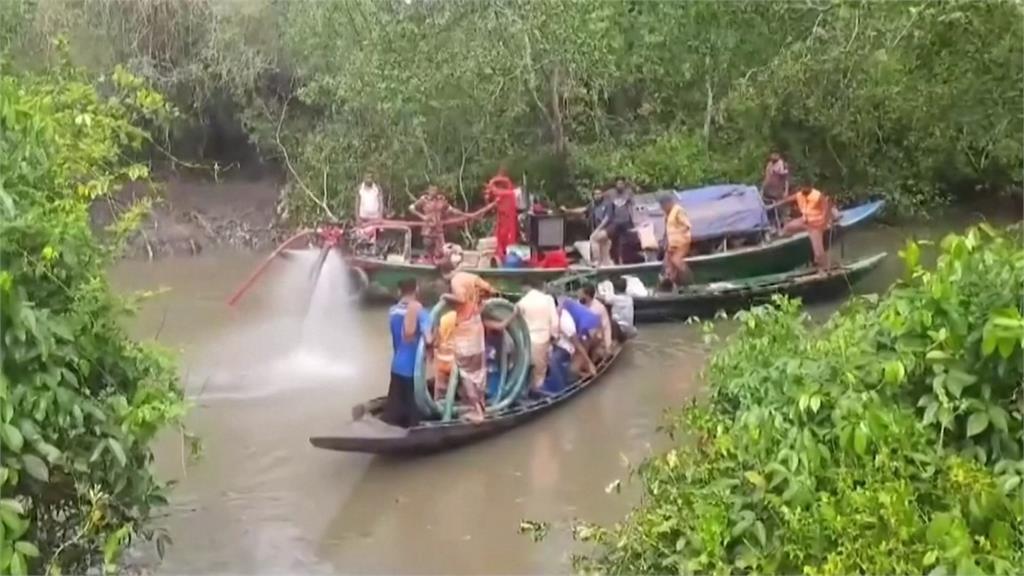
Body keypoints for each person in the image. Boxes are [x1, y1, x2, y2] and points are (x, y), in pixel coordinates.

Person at [438, 260, 495, 422]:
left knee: (465, 372)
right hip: (477, 326)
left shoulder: (456, 281)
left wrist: (445, 296)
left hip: (465, 331)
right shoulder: (471, 277)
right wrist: (478, 306)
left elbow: (461, 299)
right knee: (478, 369)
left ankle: (477, 412)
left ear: (445, 274)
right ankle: (481, 405)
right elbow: (489, 290)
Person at [384, 278, 432, 427]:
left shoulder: (392, 311)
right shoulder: (421, 312)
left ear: (399, 291)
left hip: (396, 364)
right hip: (413, 369)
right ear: (416, 289)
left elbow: (395, 339)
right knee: (413, 413)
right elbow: (429, 339)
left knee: (394, 411)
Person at [772, 186, 841, 270]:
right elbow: (788, 199)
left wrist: (826, 221)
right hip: (805, 221)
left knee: (818, 254)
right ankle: (781, 241)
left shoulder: (818, 196)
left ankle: (825, 267)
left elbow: (826, 210)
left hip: (815, 224)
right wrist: (775, 205)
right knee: (787, 227)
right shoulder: (800, 195)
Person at [515, 277, 560, 394]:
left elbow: (518, 324)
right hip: (541, 339)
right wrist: (554, 336)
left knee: (524, 370)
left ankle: (523, 392)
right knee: (539, 372)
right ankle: (538, 394)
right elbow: (555, 322)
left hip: (525, 340)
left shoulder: (521, 302)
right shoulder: (548, 299)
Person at [410, 186, 467, 263]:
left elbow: (450, 209)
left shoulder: (441, 199)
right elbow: (411, 208)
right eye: (432, 190)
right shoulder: (424, 199)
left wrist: (465, 214)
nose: (433, 192)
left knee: (441, 250)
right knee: (428, 247)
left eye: (435, 190)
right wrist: (422, 216)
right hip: (428, 229)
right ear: (428, 191)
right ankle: (429, 261)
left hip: (438, 229)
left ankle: (440, 262)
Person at [561, 188, 614, 266]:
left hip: (607, 229)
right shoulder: (592, 205)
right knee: (604, 252)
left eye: (599, 193)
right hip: (598, 231)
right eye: (595, 194)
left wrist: (597, 230)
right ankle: (606, 265)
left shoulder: (607, 204)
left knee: (593, 238)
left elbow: (607, 219)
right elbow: (582, 210)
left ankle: (596, 261)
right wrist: (568, 210)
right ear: (593, 196)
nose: (597, 196)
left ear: (602, 194)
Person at [658, 190, 693, 290]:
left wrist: (677, 234)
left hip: (682, 242)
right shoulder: (667, 215)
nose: (662, 208)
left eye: (663, 206)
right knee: (668, 265)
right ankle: (672, 287)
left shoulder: (678, 211)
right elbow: (667, 230)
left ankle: (690, 283)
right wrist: (664, 243)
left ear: (668, 203)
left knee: (676, 261)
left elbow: (687, 226)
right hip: (671, 245)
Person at [557, 296, 601, 375]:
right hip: (591, 321)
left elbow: (578, 345)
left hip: (585, 327)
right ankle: (590, 364)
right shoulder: (564, 303)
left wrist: (589, 362)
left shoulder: (565, 322)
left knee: (573, 370)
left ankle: (589, 370)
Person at [485, 167, 520, 263]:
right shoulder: (503, 193)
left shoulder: (509, 193)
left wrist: (492, 182)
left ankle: (508, 262)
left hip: (509, 223)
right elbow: (490, 198)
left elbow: (495, 190)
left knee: (509, 243)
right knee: (499, 242)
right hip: (501, 221)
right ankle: (500, 261)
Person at [579, 284, 613, 359]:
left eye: (581, 294)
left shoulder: (599, 308)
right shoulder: (578, 305)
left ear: (587, 296)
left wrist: (608, 346)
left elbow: (606, 327)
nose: (578, 295)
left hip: (595, 338)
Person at [604, 277, 637, 341]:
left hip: (620, 329)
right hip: (630, 328)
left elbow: (606, 300)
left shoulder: (614, 299)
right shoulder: (629, 298)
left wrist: (608, 288)